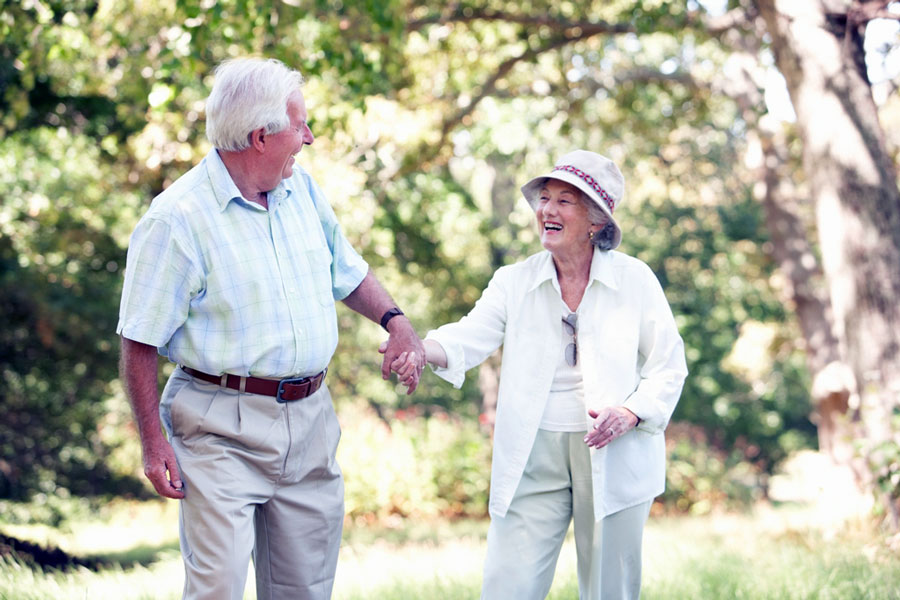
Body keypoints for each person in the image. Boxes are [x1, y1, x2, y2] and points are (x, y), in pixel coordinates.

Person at [117, 57, 424, 600]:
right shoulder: (177, 219)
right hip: (218, 427)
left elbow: (345, 269)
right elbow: (138, 337)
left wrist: (395, 321)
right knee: (217, 589)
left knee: (303, 590)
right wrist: (151, 442)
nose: (308, 137)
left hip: (309, 422)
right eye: (300, 125)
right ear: (260, 136)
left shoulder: (300, 190)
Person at [390, 150, 688, 599]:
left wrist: (630, 411)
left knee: (610, 589)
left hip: (613, 448)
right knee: (507, 586)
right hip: (532, 449)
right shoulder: (514, 280)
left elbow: (669, 366)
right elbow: (469, 335)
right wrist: (418, 348)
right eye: (544, 198)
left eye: (564, 201)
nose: (547, 209)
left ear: (596, 221)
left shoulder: (635, 280)